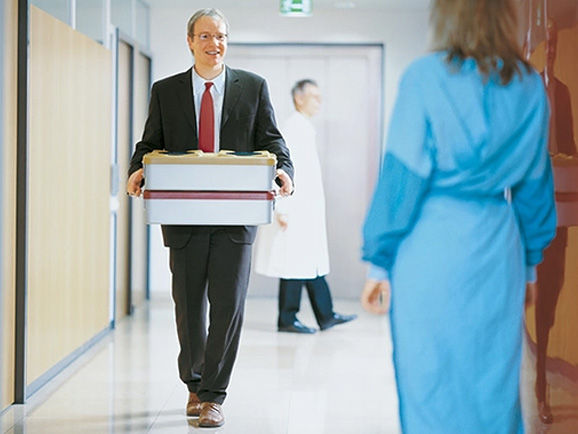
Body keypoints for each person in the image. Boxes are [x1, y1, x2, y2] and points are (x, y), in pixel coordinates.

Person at [361, 0, 556, 432]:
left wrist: (379, 260)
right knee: (493, 381)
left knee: (429, 379)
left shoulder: (425, 78)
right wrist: (528, 268)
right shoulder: (527, 85)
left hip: (430, 244)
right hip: (497, 247)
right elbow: (534, 187)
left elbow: (402, 178)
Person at [126, 8, 293, 428]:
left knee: (228, 307)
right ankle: (194, 384)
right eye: (205, 36)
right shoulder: (166, 91)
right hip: (182, 217)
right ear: (190, 41)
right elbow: (150, 141)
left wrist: (284, 170)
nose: (213, 44)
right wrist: (136, 169)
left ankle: (214, 396)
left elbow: (273, 140)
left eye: (220, 36)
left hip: (236, 218)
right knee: (188, 307)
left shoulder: (252, 88)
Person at [254, 79, 356, 334]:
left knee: (309, 262)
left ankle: (326, 315)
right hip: (294, 209)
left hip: (305, 210)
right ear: (299, 99)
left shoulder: (304, 127)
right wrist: (282, 209)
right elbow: (283, 170)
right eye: (314, 97)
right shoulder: (293, 128)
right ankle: (288, 318)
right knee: (294, 264)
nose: (319, 102)